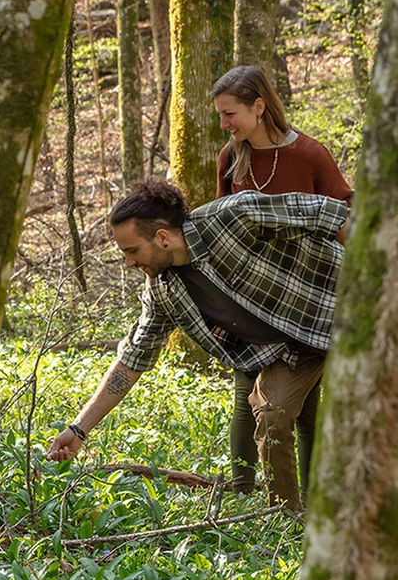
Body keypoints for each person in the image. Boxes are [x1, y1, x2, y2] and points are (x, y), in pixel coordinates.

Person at [47, 180, 349, 511]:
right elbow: (132, 360)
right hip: (291, 349)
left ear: (162, 237)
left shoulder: (233, 216)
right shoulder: (163, 291)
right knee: (270, 413)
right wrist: (78, 429)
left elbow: (331, 215)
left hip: (349, 307)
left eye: (132, 251)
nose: (129, 263)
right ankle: (287, 518)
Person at [212, 65, 353, 497]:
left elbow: (345, 220)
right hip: (249, 300)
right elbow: (219, 231)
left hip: (306, 300)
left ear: (259, 106)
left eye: (230, 113)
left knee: (304, 410)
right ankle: (242, 496)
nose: (225, 124)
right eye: (220, 115)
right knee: (244, 395)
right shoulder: (230, 157)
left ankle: (308, 502)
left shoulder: (311, 154)